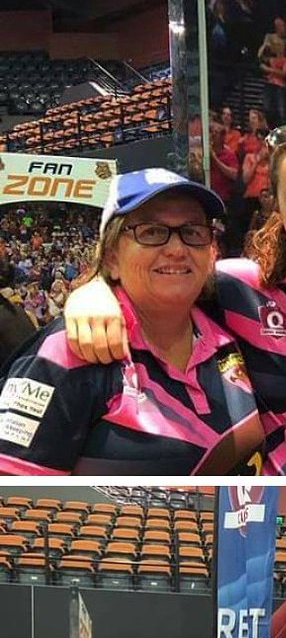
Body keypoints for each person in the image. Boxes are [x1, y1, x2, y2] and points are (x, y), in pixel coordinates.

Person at [64, 123, 286, 476]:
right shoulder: (239, 288)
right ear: (277, 206)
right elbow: (160, 281)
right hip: (285, 511)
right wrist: (93, 290)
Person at [0, 169, 264, 476]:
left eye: (193, 231)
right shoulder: (67, 354)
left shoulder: (232, 327)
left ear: (211, 252)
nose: (177, 249)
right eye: (151, 232)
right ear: (111, 256)